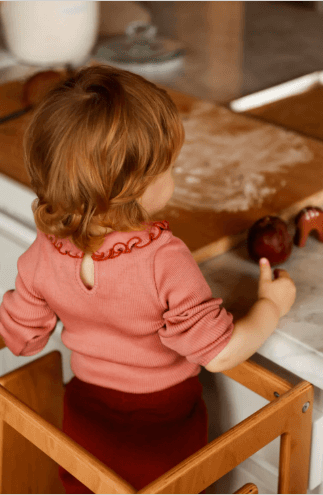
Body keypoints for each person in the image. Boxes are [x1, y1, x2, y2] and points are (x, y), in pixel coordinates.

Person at [0, 66, 296, 492]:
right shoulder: (164, 260)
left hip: (84, 418)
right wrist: (272, 305)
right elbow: (220, 354)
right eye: (168, 167)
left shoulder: (42, 253)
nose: (173, 175)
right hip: (164, 430)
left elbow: (21, 340)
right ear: (134, 188)